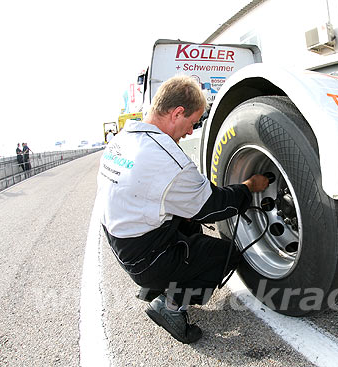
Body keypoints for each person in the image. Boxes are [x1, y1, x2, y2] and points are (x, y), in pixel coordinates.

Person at [97, 75, 269, 344]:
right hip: (143, 257)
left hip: (119, 241)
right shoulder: (166, 158)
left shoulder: (123, 139)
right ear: (177, 113)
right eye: (192, 123)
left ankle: (157, 282)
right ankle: (171, 305)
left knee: (189, 224)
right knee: (226, 255)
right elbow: (211, 207)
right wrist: (248, 186)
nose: (190, 132)